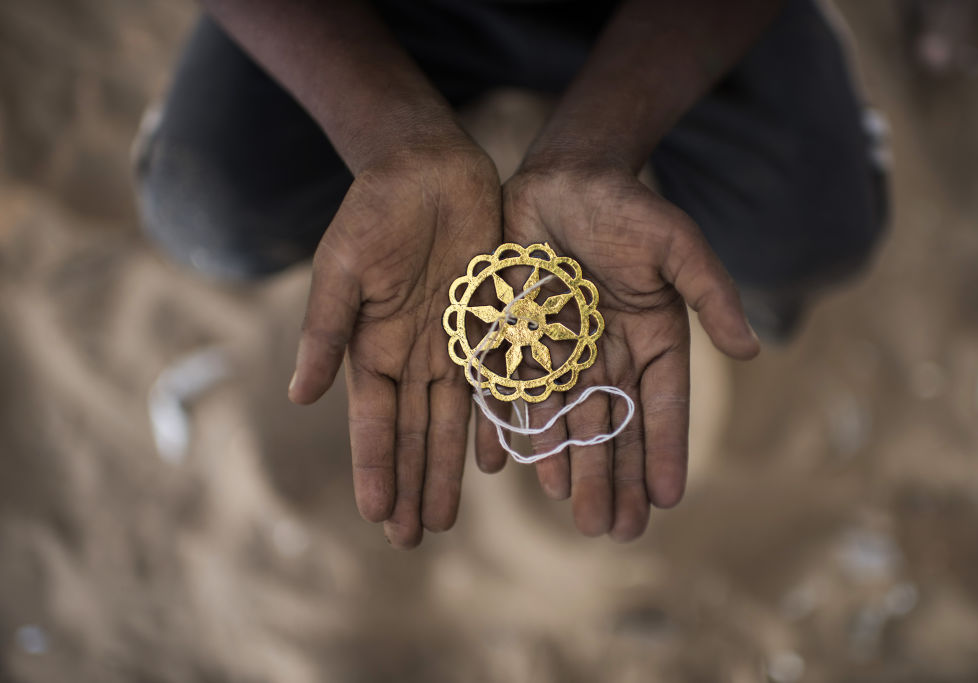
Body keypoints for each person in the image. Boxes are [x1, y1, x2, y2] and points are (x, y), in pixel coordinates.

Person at [134, 0, 886, 548]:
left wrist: (602, 136)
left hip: (673, 23)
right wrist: (392, 136)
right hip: (363, 24)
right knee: (205, 208)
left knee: (818, 236)